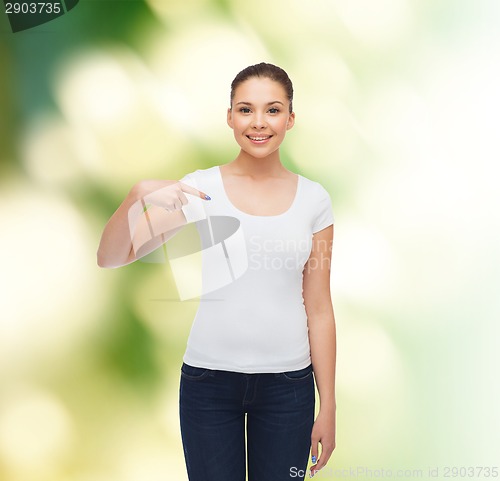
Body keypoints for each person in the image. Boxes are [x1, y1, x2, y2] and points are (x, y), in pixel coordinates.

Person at [97, 62, 336, 481]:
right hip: (209, 385)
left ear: (291, 119)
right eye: (245, 110)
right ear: (229, 117)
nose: (258, 122)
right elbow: (112, 255)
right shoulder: (201, 191)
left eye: (273, 110)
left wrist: (328, 405)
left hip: (288, 388)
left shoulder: (314, 201)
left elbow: (318, 306)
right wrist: (137, 195)